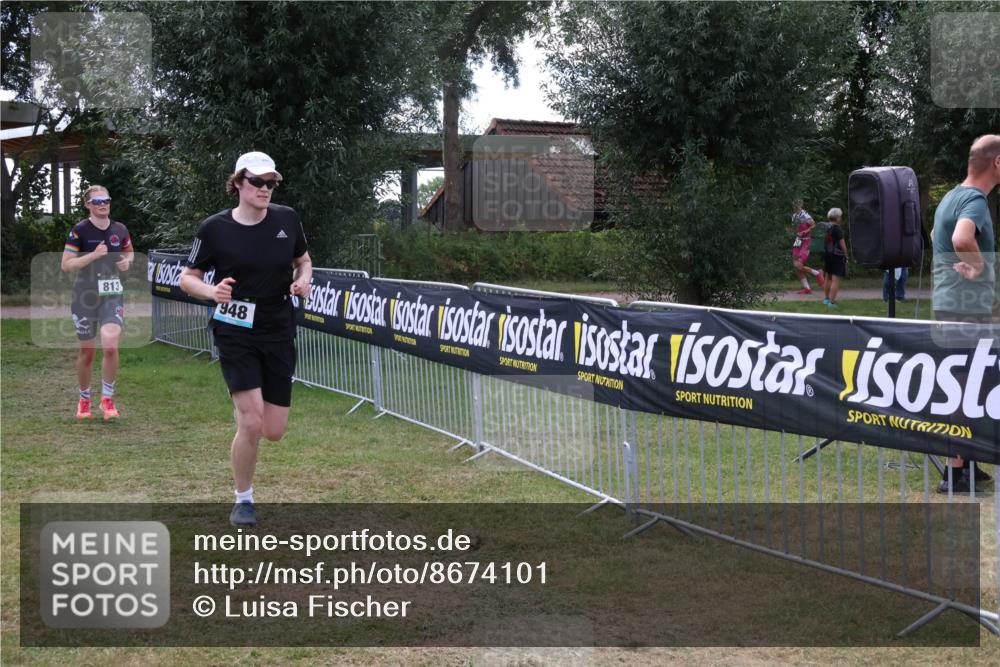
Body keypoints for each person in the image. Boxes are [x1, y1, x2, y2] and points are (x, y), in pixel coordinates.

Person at [179, 152, 312, 526]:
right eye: (257, 182)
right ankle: (244, 500)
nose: (265, 189)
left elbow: (303, 259)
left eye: (271, 183)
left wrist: (304, 280)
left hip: (278, 325)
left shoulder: (287, 219)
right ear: (238, 182)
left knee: (273, 431)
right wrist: (211, 292)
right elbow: (187, 277)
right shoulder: (215, 228)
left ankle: (246, 404)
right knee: (251, 422)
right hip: (235, 326)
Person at [931, 134, 1000, 494]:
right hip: (964, 311)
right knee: (964, 387)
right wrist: (979, 270)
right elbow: (961, 239)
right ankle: (955, 472)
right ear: (996, 163)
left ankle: (966, 461)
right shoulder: (973, 199)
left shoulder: (951, 196)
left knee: (968, 385)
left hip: (952, 306)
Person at [61, 185, 133, 420]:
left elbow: (129, 252)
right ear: (88, 205)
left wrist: (127, 262)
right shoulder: (79, 231)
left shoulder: (120, 229)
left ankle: (107, 399)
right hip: (85, 295)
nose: (103, 204)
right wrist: (93, 255)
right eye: (97, 200)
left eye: (106, 200)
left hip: (112, 293)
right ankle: (84, 399)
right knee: (88, 352)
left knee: (111, 345)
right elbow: (66, 265)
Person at [790, 199, 824, 294]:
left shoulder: (805, 215)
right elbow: (795, 228)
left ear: (800, 205)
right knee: (795, 265)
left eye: (797, 205)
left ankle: (817, 273)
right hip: (797, 241)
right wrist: (791, 231)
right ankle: (807, 288)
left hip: (806, 242)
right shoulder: (794, 216)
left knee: (798, 265)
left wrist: (805, 232)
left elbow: (813, 225)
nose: (796, 206)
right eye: (794, 205)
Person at [821, 207, 848, 308]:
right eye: (840, 216)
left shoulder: (825, 226)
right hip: (837, 256)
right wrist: (846, 256)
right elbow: (843, 245)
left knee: (828, 277)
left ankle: (826, 299)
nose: (841, 218)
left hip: (827, 255)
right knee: (836, 279)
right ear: (837, 218)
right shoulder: (837, 228)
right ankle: (832, 303)